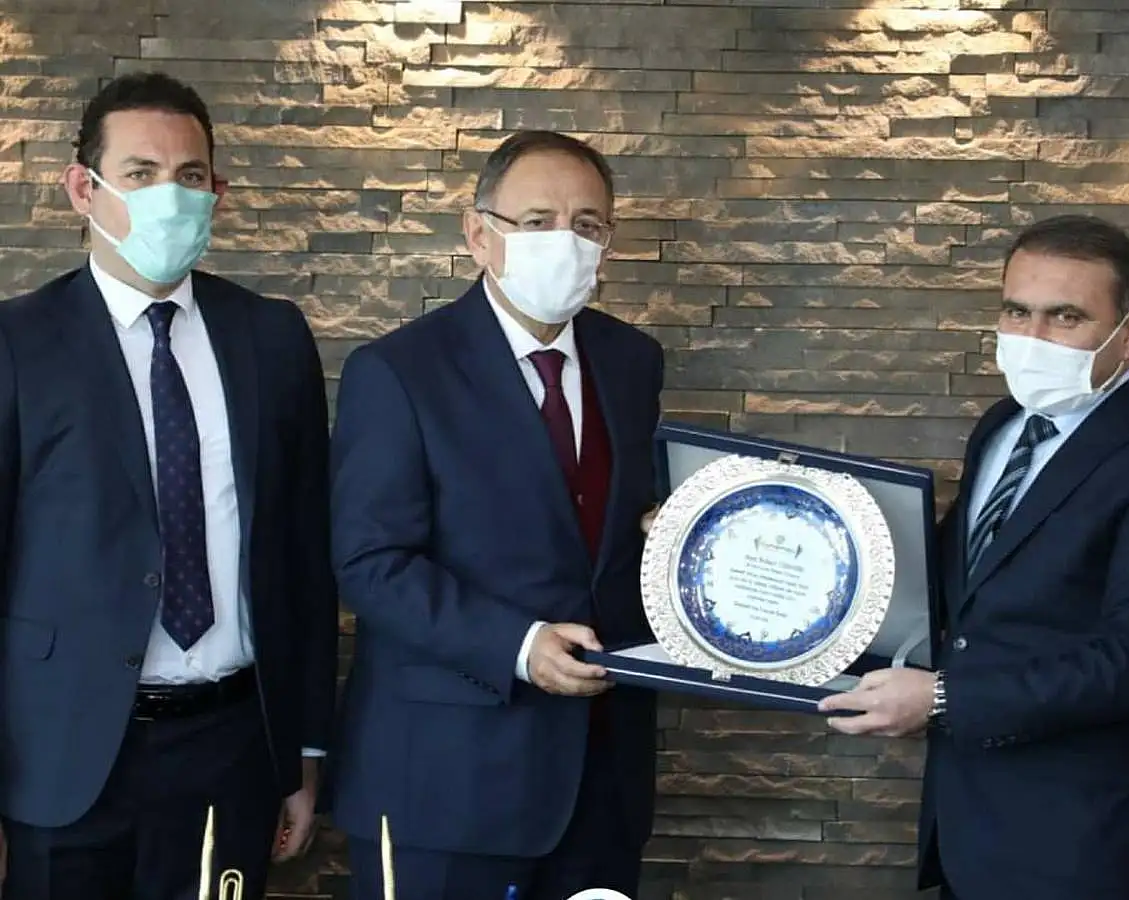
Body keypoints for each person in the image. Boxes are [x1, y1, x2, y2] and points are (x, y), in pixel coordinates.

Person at [0, 72, 339, 899]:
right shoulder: (18, 344)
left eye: (190, 176)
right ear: (84, 189)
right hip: (60, 755)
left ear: (217, 191)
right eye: (141, 173)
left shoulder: (271, 337)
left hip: (232, 745)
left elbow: (303, 556)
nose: (170, 197)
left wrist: (303, 750)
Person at [819, 214, 1129, 900]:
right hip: (970, 823)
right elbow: (962, 583)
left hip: (1089, 844)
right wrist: (792, 550)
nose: (1032, 338)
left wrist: (942, 698)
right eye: (1017, 311)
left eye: (1066, 317)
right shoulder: (1003, 424)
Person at [328, 130, 664, 900]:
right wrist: (517, 645)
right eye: (538, 220)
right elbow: (370, 563)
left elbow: (621, 532)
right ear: (479, 234)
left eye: (587, 225)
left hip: (603, 782)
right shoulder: (397, 371)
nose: (565, 242)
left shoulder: (633, 361)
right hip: (447, 785)